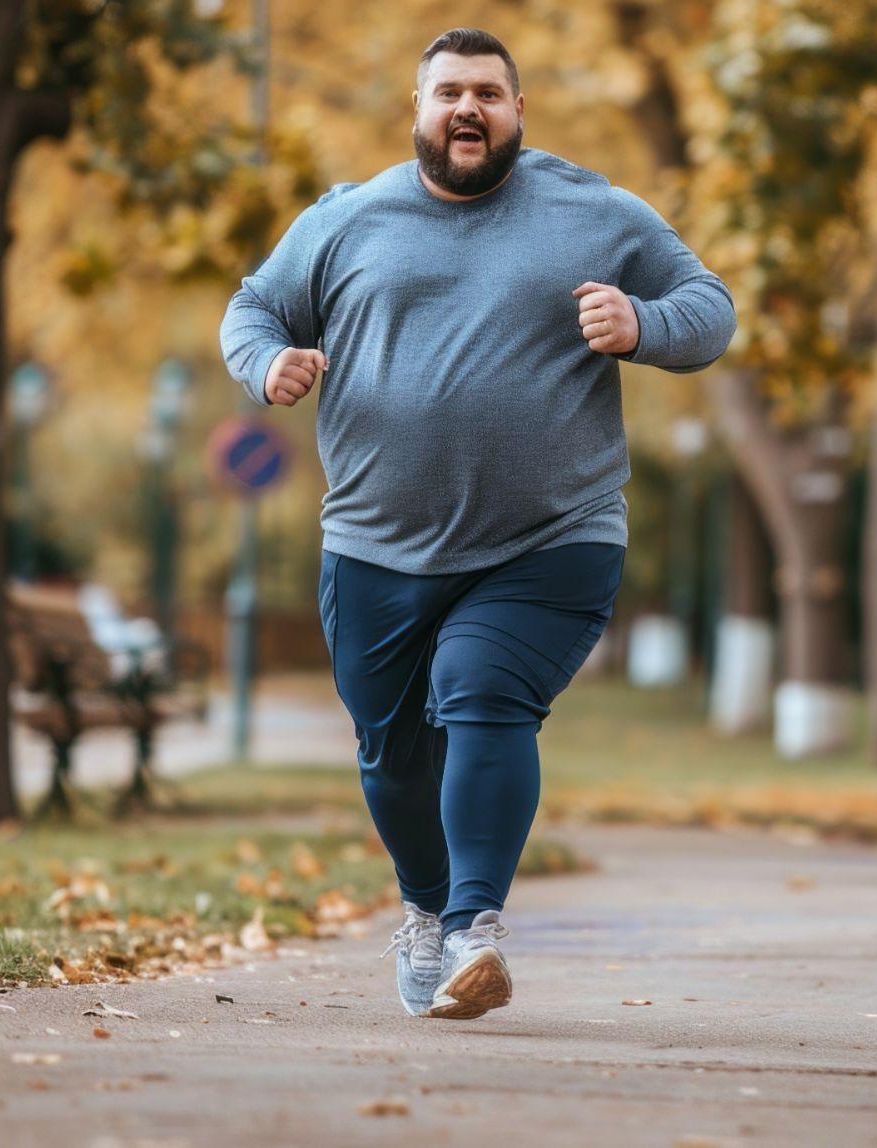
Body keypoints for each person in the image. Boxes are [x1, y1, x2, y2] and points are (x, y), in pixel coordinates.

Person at [218, 27, 736, 1020]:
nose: (468, 107)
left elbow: (707, 306)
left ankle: (475, 926)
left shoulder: (594, 210)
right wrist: (265, 364)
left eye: (488, 93)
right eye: (449, 91)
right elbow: (252, 309)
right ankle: (425, 909)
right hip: (375, 542)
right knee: (390, 751)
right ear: (414, 111)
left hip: (550, 535)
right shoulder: (347, 219)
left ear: (518, 111)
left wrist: (643, 324)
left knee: (480, 692)